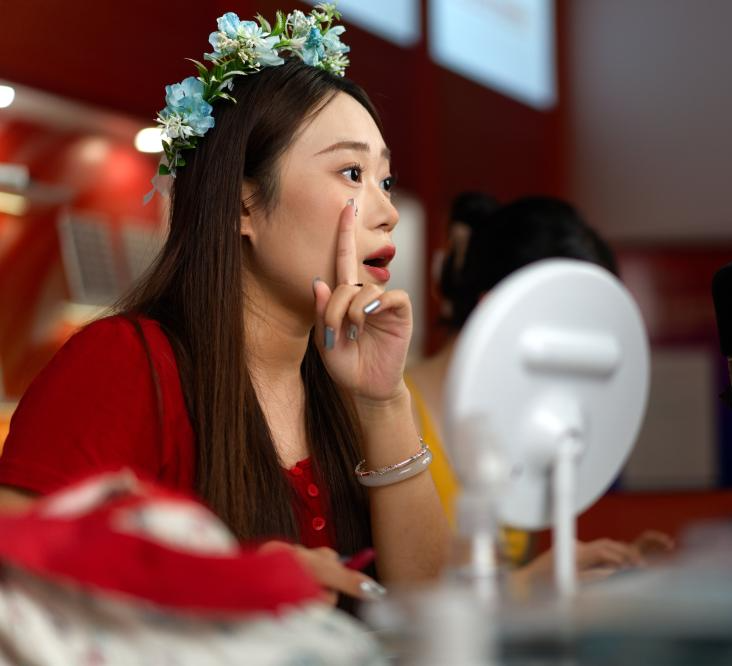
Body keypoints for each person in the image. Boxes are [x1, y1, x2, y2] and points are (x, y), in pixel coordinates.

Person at [0, 6, 448, 605]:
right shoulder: (125, 364)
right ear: (241, 206)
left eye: (384, 181)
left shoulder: (342, 388)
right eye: (351, 172)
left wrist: (383, 403)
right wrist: (227, 577)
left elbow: (428, 610)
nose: (388, 212)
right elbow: (15, 568)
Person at [407, 194, 672, 586]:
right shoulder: (396, 416)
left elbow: (503, 582)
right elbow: (414, 596)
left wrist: (603, 572)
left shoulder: (524, 422)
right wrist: (537, 582)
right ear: (495, 306)